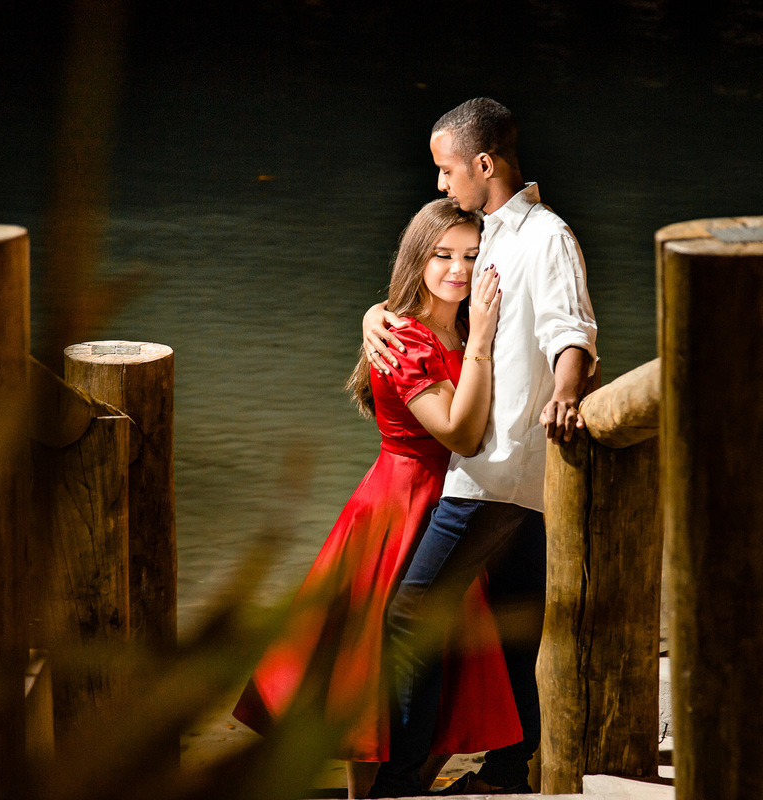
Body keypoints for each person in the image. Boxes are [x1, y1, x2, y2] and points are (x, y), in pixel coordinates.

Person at [233, 198, 521, 799]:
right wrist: (482, 339)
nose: (458, 270)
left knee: (448, 665)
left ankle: (403, 786)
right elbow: (461, 433)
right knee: (364, 674)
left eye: (471, 256)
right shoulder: (404, 336)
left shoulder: (464, 323)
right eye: (442, 255)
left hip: (456, 505)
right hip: (401, 504)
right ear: (416, 258)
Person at [362, 98, 597, 797]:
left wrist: (567, 391)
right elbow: (439, 286)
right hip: (501, 469)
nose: (441, 184)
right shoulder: (489, 233)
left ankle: (399, 785)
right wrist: (377, 311)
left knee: (409, 618)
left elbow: (572, 328)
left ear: (483, 164)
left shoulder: (545, 235)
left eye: (447, 169)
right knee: (517, 621)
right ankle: (506, 773)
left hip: (496, 468)